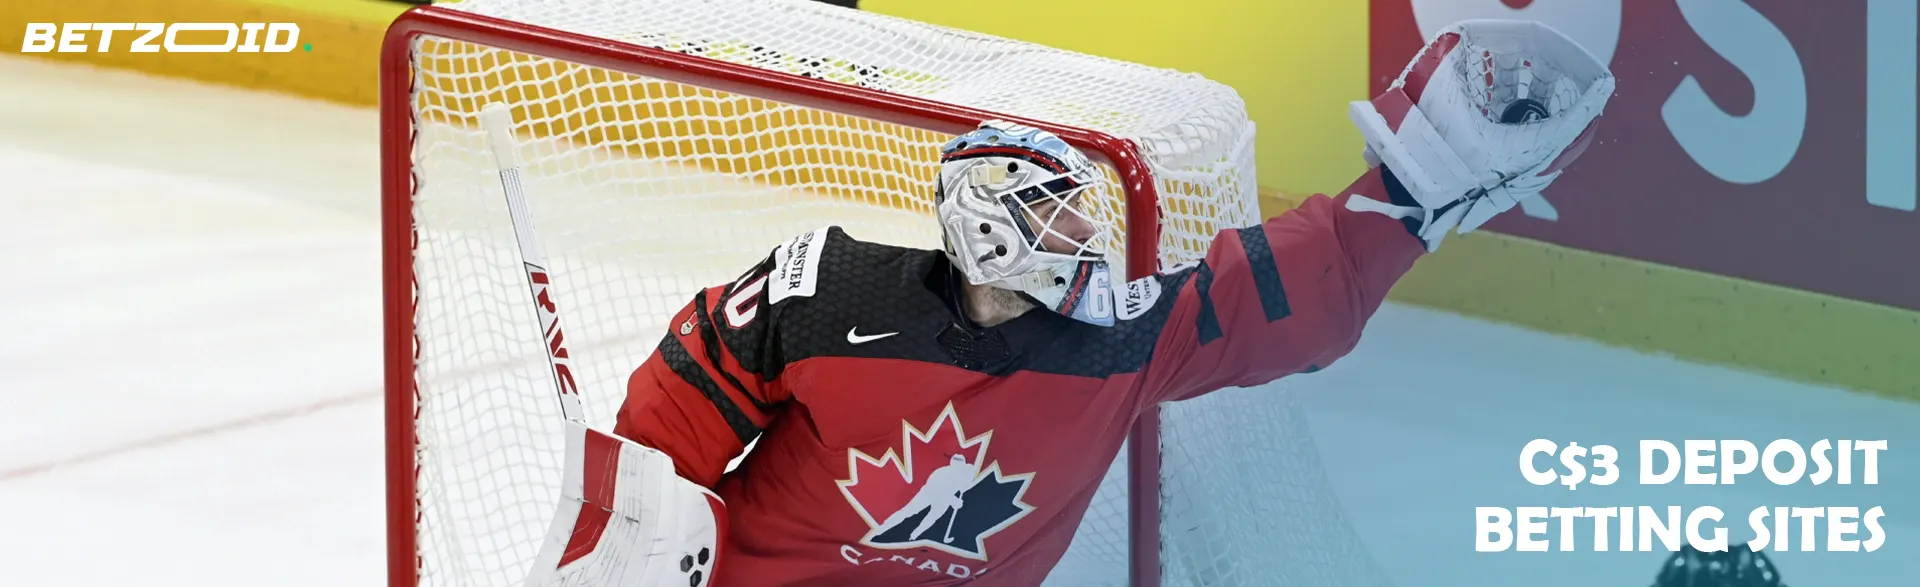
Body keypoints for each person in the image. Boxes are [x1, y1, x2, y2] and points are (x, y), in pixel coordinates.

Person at [535, 18, 1615, 587]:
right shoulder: (824, 298)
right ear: (990, 226)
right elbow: (665, 432)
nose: (1088, 232)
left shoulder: (1122, 337)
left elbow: (1278, 298)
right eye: (1058, 213)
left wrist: (1409, 197)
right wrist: (629, 525)